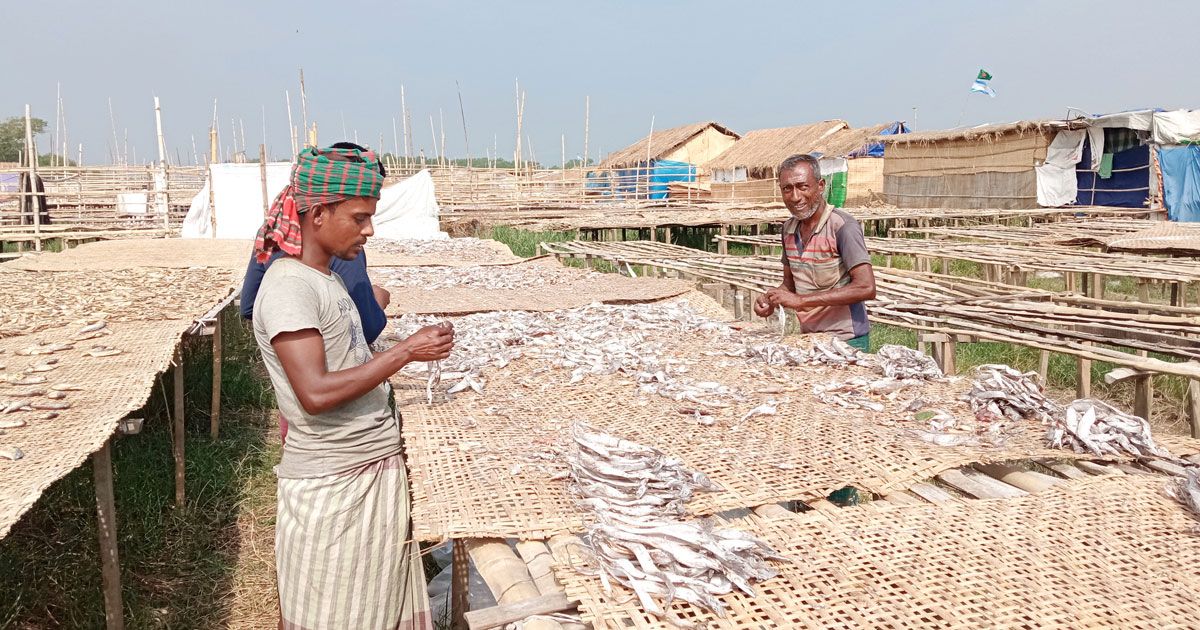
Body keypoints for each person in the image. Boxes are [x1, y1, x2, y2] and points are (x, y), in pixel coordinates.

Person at [251, 144, 452, 629]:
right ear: (318, 214)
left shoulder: (324, 280)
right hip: (334, 484)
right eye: (359, 218)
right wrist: (405, 352)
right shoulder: (288, 288)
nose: (369, 229)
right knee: (329, 613)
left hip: (363, 471)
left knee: (368, 610)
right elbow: (315, 394)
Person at [754, 153, 877, 351]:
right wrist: (771, 299)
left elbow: (866, 287)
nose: (795, 197)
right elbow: (789, 285)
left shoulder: (842, 227)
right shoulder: (788, 229)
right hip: (809, 340)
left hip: (847, 341)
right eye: (787, 189)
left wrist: (801, 301)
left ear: (820, 186)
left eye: (803, 187)